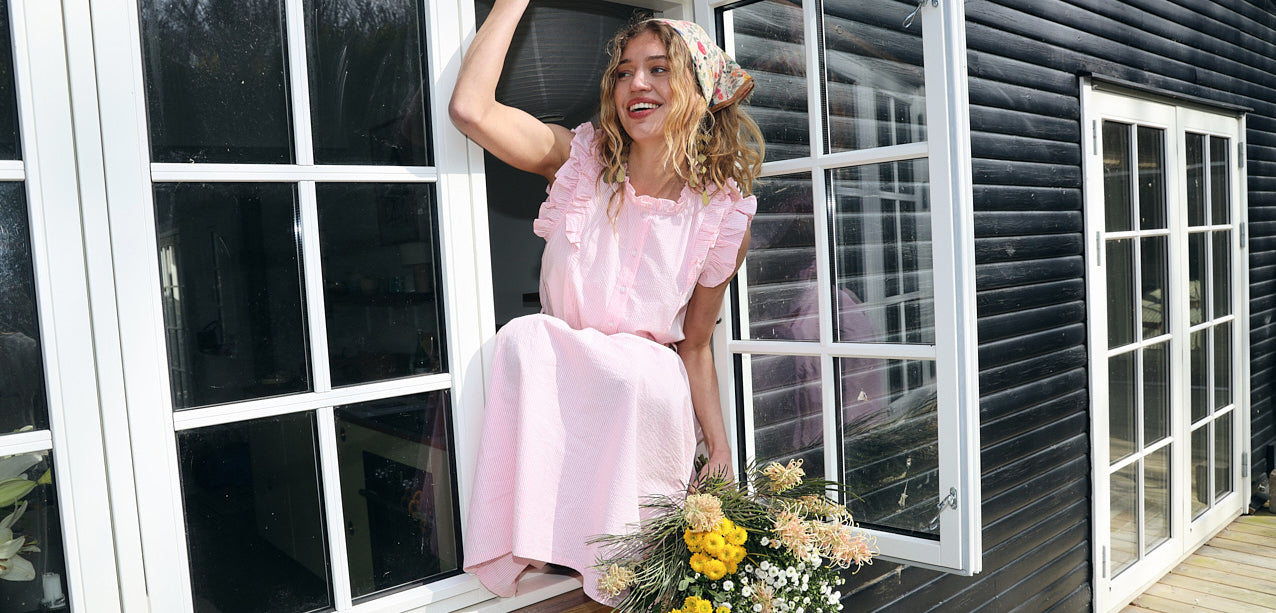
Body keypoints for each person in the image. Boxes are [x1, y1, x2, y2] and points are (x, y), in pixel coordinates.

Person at [449, 0, 763, 602]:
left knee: (633, 585)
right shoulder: (578, 163)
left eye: (658, 68)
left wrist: (720, 449)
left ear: (698, 88)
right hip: (558, 399)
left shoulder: (722, 214)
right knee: (525, 337)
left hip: (637, 411)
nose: (635, 83)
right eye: (622, 72)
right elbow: (470, 109)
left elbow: (696, 346)